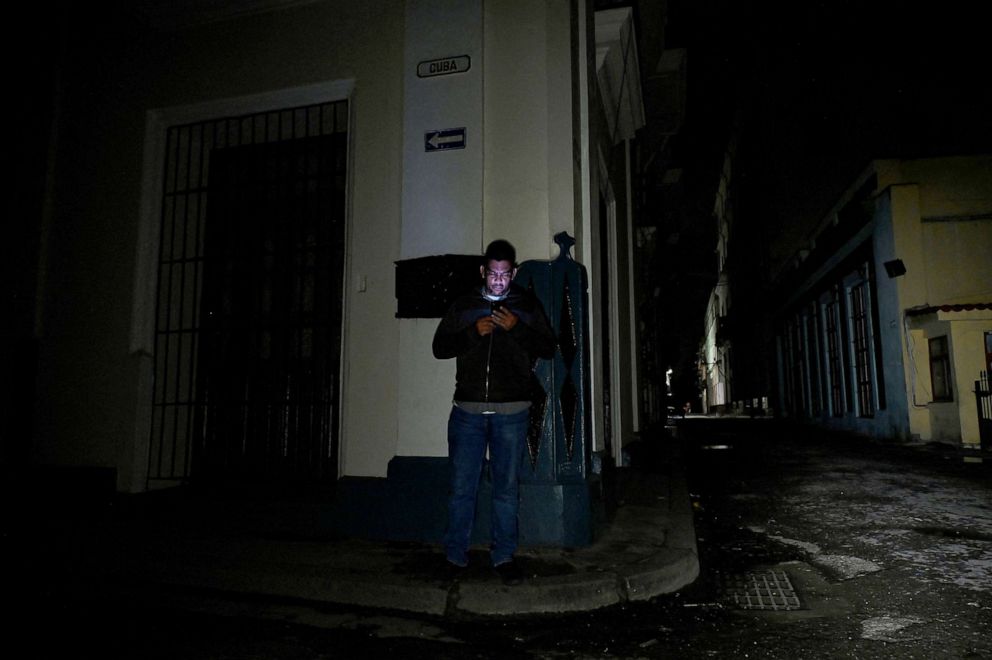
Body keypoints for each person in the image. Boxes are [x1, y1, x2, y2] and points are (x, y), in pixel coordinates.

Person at [432, 239, 555, 585]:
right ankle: (455, 557)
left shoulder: (526, 305)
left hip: (511, 412)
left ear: (513, 273)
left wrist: (517, 327)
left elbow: (548, 348)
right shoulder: (465, 304)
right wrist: (473, 333)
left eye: (505, 274)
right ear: (483, 271)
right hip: (467, 412)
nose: (499, 280)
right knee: (461, 488)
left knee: (505, 488)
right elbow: (439, 347)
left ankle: (504, 557)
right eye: (493, 274)